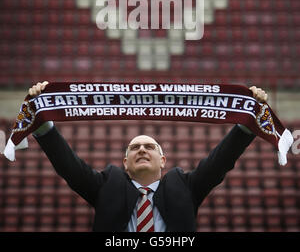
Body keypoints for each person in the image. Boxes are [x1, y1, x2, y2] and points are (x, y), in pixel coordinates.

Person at [30, 81, 268, 232]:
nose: (142, 150)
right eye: (134, 148)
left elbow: (221, 161)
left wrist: (248, 120)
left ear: (163, 161)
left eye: (149, 147)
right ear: (125, 163)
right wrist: (41, 119)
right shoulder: (107, 184)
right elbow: (68, 166)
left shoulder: (184, 186)